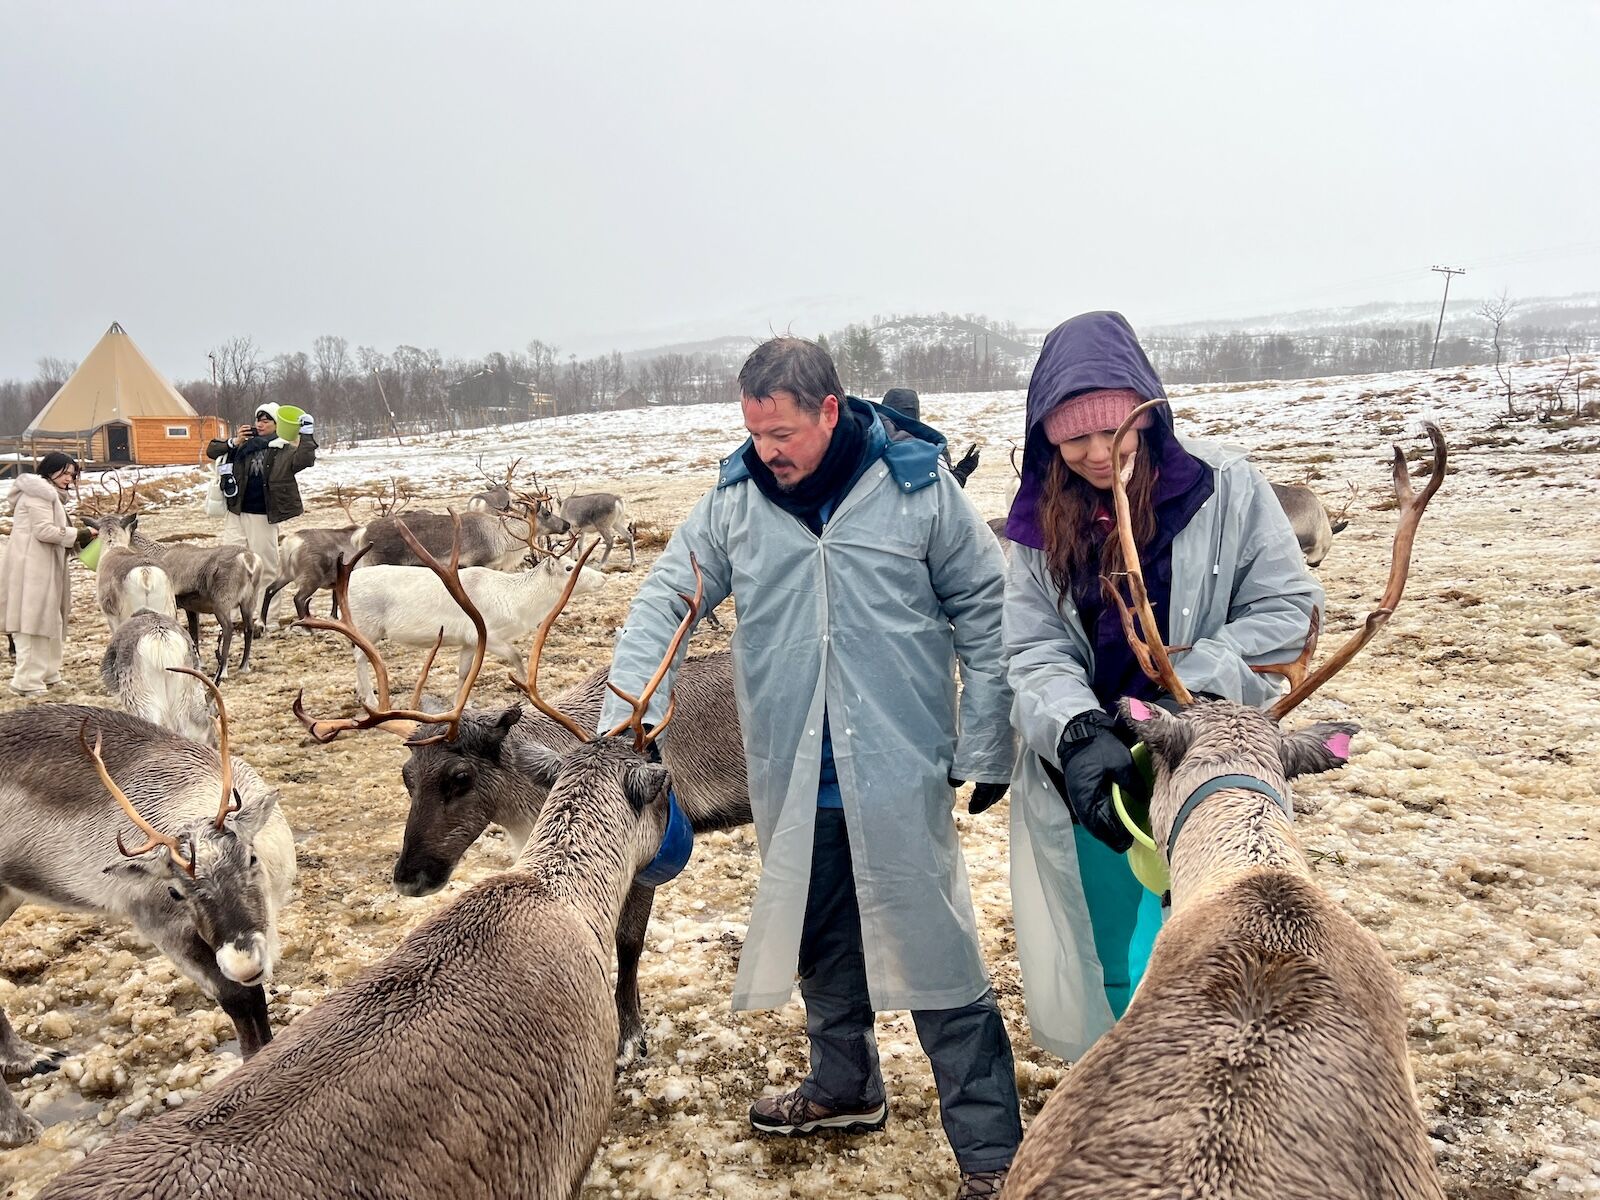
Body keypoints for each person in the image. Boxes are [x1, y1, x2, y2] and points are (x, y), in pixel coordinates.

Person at [601, 338, 1020, 1198]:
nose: (767, 452)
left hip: (901, 766)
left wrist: (988, 737)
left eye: (782, 432)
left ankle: (991, 1155)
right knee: (816, 936)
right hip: (793, 771)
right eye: (754, 433)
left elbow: (987, 603)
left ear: (831, 411)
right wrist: (625, 722)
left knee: (937, 951)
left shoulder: (913, 485)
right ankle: (845, 1087)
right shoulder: (734, 504)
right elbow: (664, 605)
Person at [1001, 311, 1322, 1061]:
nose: (1095, 455)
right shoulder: (1039, 521)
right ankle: (1123, 1076)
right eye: (1072, 438)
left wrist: (1183, 693)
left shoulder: (1226, 489)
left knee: (1211, 936)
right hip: (1098, 770)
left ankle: (1209, 1076)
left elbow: (1288, 612)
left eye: (1114, 433)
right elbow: (1033, 647)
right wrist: (1079, 730)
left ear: (1148, 417)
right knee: (1109, 944)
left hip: (1202, 763)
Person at [206, 402, 317, 609]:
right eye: (259, 420)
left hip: (263, 516)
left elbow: (306, 459)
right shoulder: (244, 445)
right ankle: (234, 613)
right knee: (230, 563)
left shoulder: (283, 449)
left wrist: (307, 435)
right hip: (236, 512)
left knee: (266, 567)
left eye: (266, 421)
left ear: (277, 425)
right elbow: (212, 450)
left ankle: (267, 616)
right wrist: (234, 441)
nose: (261, 424)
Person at [3, 452, 84, 696]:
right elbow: (44, 531)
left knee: (51, 620)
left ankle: (48, 673)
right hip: (31, 569)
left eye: (73, 473)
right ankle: (26, 681)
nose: (69, 478)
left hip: (45, 566)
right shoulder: (38, 494)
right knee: (32, 622)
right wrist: (78, 534)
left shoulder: (53, 497)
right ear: (50, 470)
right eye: (65, 472)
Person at [882, 387, 981, 486]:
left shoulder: (932, 444)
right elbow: (943, 492)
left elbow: (942, 491)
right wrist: (961, 473)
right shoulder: (932, 444)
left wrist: (962, 471)